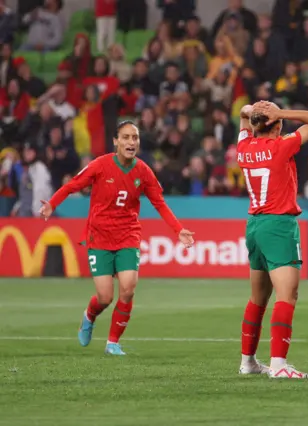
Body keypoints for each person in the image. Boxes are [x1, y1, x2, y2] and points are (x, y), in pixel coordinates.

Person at [39, 121, 195, 356]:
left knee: (129, 287)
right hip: (99, 236)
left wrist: (178, 229)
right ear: (116, 141)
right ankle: (89, 316)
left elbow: (159, 203)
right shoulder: (100, 165)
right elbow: (73, 185)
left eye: (135, 138)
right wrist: (52, 203)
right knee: (105, 296)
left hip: (128, 235)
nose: (131, 142)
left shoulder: (143, 171)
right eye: (126, 137)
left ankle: (113, 342)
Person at [237, 101, 308, 379]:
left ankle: (248, 362)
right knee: (287, 296)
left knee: (258, 298)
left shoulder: (244, 149)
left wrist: (249, 112)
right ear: (277, 125)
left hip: (254, 225)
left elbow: (243, 119)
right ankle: (278, 365)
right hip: (278, 225)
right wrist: (282, 112)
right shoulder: (281, 146)